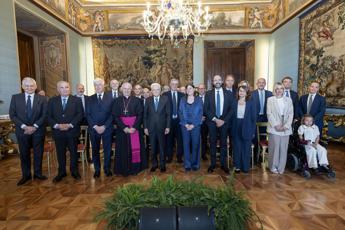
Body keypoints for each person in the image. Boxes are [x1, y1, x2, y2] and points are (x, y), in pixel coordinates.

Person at [9, 77, 48, 186]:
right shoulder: (16, 98)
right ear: (22, 86)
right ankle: (26, 175)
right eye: (27, 86)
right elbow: (13, 115)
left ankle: (38, 173)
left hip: (38, 130)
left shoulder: (43, 99)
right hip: (22, 131)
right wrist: (24, 126)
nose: (29, 87)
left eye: (31, 86)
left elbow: (45, 115)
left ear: (35, 87)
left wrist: (34, 126)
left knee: (38, 153)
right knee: (24, 154)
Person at [47, 81, 83, 182]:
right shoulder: (52, 101)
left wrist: (70, 125)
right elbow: (48, 116)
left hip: (72, 131)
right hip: (58, 132)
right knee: (60, 153)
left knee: (73, 153)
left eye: (66, 87)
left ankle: (74, 171)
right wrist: (57, 125)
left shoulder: (76, 100)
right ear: (58, 89)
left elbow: (80, 114)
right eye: (62, 88)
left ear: (69, 88)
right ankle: (61, 172)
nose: (65, 89)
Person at [113, 82, 147, 176]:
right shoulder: (116, 101)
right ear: (121, 89)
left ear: (131, 89)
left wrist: (134, 127)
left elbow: (140, 115)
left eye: (128, 89)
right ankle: (123, 169)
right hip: (122, 130)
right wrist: (124, 128)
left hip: (134, 129)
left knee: (135, 148)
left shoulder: (137, 100)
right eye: (125, 88)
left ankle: (135, 168)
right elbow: (115, 116)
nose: (127, 90)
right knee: (123, 149)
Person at [204, 75, 234, 174]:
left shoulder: (229, 94)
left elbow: (231, 109)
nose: (217, 81)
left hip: (224, 123)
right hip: (212, 122)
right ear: (213, 82)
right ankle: (212, 164)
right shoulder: (208, 94)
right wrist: (215, 119)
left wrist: (223, 120)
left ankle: (223, 165)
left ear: (222, 82)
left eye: (219, 80)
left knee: (223, 144)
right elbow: (206, 109)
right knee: (212, 143)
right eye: (215, 80)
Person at [86, 78, 114, 178]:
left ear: (104, 86)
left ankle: (107, 168)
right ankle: (97, 169)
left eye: (100, 85)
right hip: (94, 129)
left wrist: (105, 126)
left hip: (107, 128)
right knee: (95, 150)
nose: (98, 87)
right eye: (96, 85)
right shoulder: (89, 99)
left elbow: (112, 114)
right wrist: (95, 126)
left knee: (107, 149)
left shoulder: (110, 98)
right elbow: (88, 114)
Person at [267, 82, 293, 174]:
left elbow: (291, 114)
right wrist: (276, 125)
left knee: (283, 148)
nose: (279, 90)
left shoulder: (288, 100)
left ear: (283, 90)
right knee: (274, 148)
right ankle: (273, 167)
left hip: (286, 127)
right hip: (274, 127)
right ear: (275, 90)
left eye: (281, 88)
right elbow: (269, 114)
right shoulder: (270, 99)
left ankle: (281, 168)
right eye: (277, 88)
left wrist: (286, 126)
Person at [144, 83, 171, 172]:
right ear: (151, 91)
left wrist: (168, 127)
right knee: (153, 148)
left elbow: (168, 114)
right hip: (151, 128)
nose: (156, 91)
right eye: (154, 90)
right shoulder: (148, 100)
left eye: (157, 89)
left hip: (162, 128)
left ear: (160, 90)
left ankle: (162, 165)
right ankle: (154, 164)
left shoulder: (165, 99)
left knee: (162, 147)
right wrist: (145, 127)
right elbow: (145, 115)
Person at [231, 85, 257, 173]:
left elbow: (254, 118)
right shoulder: (234, 102)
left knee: (246, 148)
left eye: (243, 91)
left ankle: (245, 167)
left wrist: (253, 131)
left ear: (247, 93)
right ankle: (237, 166)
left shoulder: (251, 102)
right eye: (240, 91)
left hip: (247, 126)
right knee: (237, 147)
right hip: (236, 126)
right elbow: (231, 116)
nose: (241, 92)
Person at [179, 84, 203, 171]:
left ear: (194, 89)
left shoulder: (199, 100)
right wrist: (185, 124)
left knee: (195, 144)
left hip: (195, 126)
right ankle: (187, 164)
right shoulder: (182, 100)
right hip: (184, 126)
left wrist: (193, 125)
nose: (188, 90)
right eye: (187, 88)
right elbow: (180, 113)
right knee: (186, 145)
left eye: (190, 88)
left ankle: (195, 164)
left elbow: (200, 113)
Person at [163, 78, 184, 163]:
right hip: (169, 121)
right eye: (173, 84)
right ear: (170, 84)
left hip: (179, 121)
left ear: (178, 85)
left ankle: (179, 157)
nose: (174, 85)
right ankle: (169, 156)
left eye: (176, 84)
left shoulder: (182, 95)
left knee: (180, 140)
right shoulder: (164, 95)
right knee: (169, 140)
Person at [75, 83, 91, 163]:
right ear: (76, 89)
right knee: (76, 139)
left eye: (82, 88)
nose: (81, 90)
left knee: (87, 140)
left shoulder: (88, 98)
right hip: (76, 122)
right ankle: (77, 157)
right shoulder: (72, 99)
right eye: (79, 88)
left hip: (87, 121)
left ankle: (88, 157)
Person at [198, 83, 208, 161]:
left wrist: (205, 117)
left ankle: (203, 154)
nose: (201, 90)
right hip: (197, 122)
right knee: (196, 138)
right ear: (198, 90)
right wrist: (199, 117)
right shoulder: (195, 98)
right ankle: (196, 153)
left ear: (205, 89)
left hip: (207, 121)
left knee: (204, 139)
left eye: (203, 88)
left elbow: (211, 109)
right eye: (200, 88)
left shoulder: (209, 98)